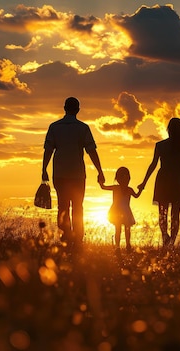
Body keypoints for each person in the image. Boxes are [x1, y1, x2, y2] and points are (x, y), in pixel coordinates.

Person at [42, 97, 105, 248]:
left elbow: (48, 150)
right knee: (78, 207)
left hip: (60, 174)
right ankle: (77, 239)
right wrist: (100, 171)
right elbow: (91, 151)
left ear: (64, 108)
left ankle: (66, 237)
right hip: (77, 174)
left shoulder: (54, 127)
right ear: (78, 109)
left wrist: (44, 169)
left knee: (63, 207)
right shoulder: (83, 128)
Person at [138, 117, 180, 247]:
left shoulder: (160, 145)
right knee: (175, 214)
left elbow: (153, 165)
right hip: (178, 180)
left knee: (162, 213)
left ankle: (166, 238)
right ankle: (170, 242)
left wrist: (144, 183)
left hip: (164, 179)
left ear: (169, 130)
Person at [99, 167, 142, 252]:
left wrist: (141, 189)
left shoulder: (127, 189)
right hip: (118, 212)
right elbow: (103, 187)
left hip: (123, 211)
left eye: (126, 177)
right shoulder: (119, 188)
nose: (124, 179)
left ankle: (127, 246)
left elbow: (103, 187)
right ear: (118, 179)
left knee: (125, 229)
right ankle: (118, 247)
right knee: (119, 229)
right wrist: (100, 181)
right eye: (122, 177)